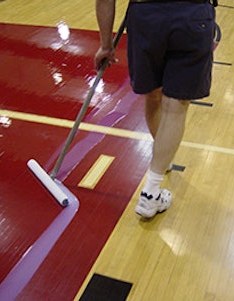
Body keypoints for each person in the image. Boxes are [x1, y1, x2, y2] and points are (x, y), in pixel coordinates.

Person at [95, 0, 216, 218]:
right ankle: (151, 191)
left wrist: (105, 45)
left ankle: (162, 160)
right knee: (176, 106)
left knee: (153, 96)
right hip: (191, 15)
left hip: (146, 17)